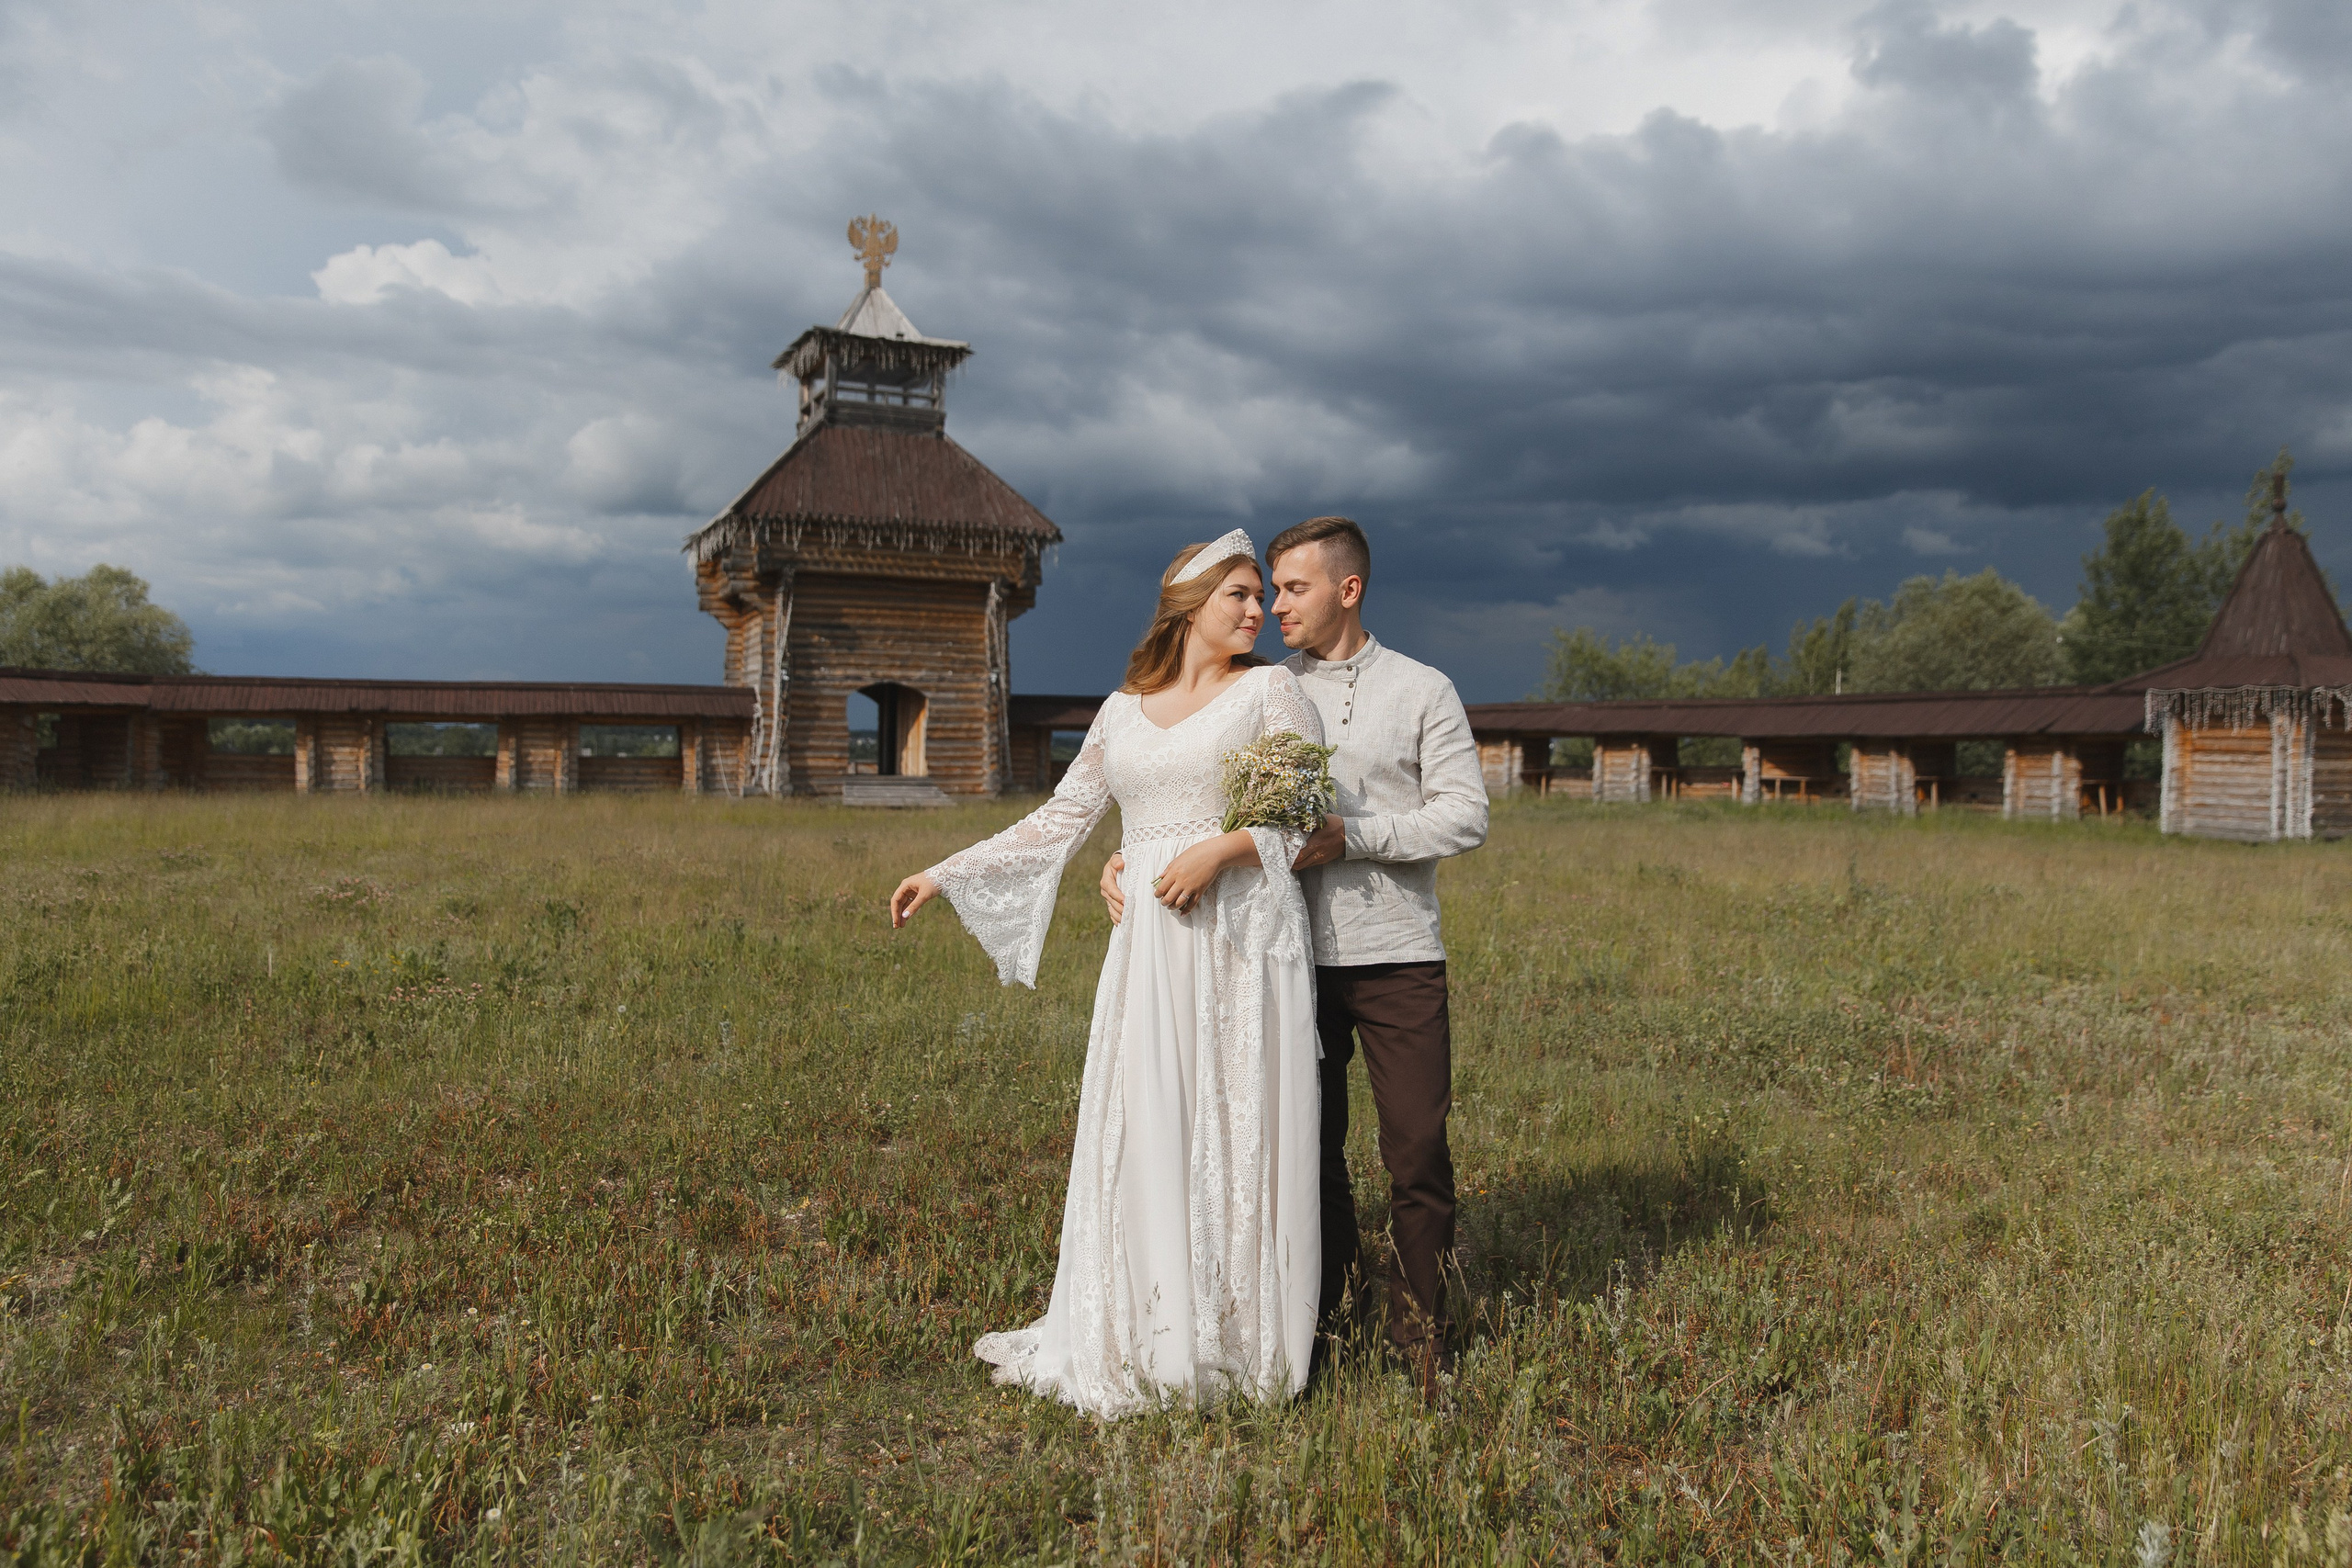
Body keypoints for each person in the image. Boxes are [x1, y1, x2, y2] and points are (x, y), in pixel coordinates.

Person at [889, 529, 1324, 1418]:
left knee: (1230, 1117)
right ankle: (1143, 1322)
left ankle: (1233, 1335)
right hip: (1147, 949)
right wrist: (945, 872)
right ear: (1187, 605)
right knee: (1147, 1117)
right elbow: (1062, 818)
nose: (1259, 611)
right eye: (1239, 595)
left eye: (1261, 595)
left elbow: (1301, 813)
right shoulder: (1123, 710)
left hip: (1236, 939)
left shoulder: (1270, 691)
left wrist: (1218, 852)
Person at [1101, 516, 1487, 1395]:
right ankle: (1324, 1324)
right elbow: (1187, 793)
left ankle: (1420, 1339)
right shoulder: (1259, 687)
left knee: (1417, 1149)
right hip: (1280, 959)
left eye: (1293, 589)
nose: (1275, 606)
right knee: (1302, 1152)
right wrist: (1125, 856)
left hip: (1395, 956)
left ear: (1348, 590)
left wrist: (1353, 835)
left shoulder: (1423, 690)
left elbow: (1465, 814)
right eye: (1267, 590)